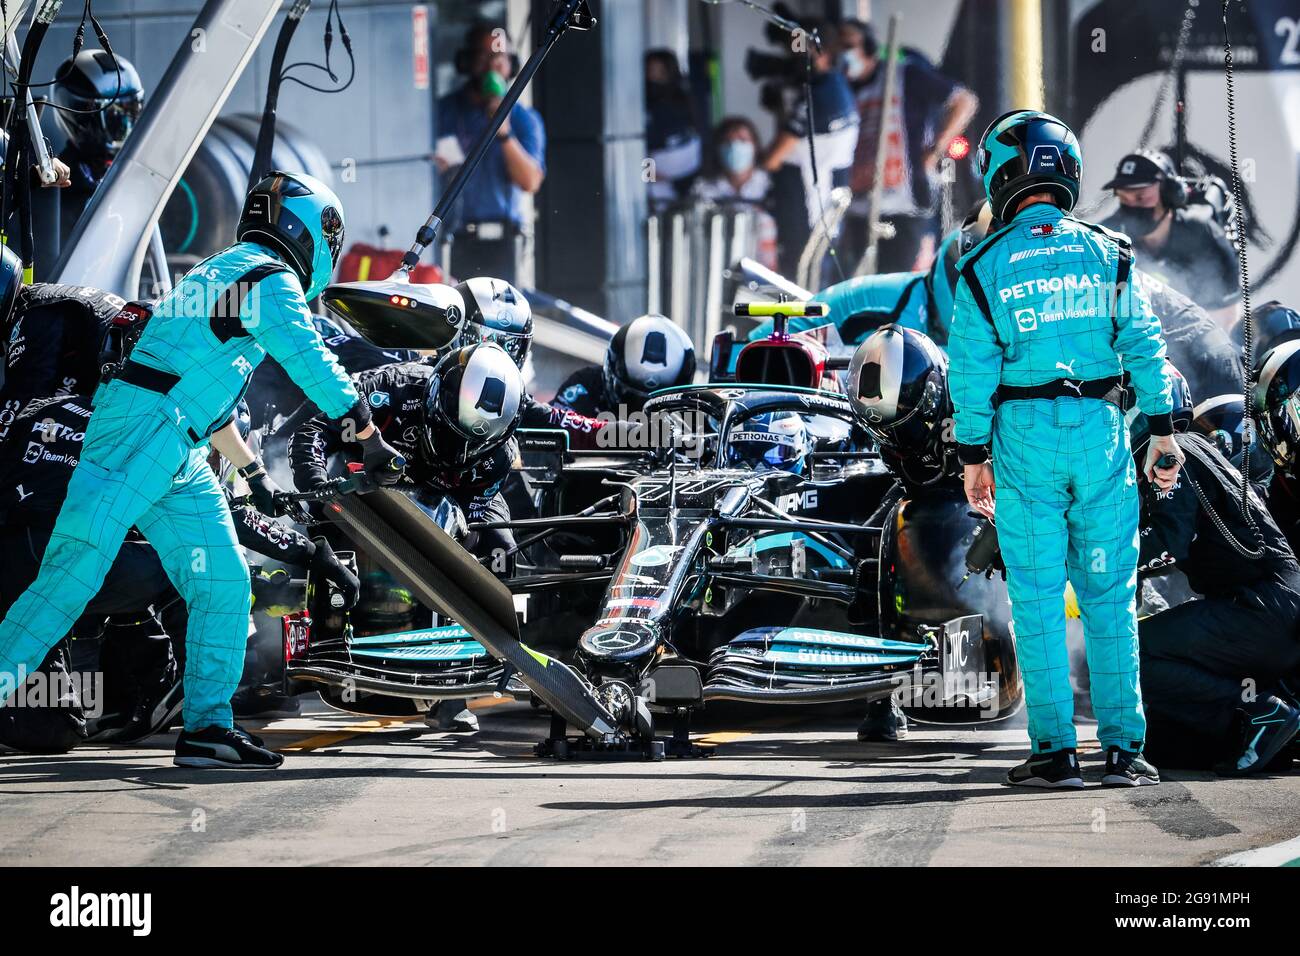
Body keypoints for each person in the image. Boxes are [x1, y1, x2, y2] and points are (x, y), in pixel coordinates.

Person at [0, 171, 405, 770]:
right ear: (310, 231)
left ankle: (208, 730)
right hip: (144, 431)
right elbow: (312, 361)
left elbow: (204, 395)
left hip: (171, 438)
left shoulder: (226, 269)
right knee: (68, 581)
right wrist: (368, 436)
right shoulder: (269, 279)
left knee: (222, 581)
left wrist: (256, 476)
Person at [948, 110, 1179, 789]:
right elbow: (1145, 344)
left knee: (1039, 599)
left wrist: (972, 458)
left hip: (1023, 441)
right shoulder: (1110, 252)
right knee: (1110, 596)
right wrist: (1162, 430)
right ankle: (1125, 753)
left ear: (999, 175)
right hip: (1103, 432)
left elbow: (970, 373)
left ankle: (1055, 755)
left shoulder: (981, 265)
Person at [0, 394, 360, 751]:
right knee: (199, 566)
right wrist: (312, 555)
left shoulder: (51, 405)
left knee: (50, 730)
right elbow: (224, 520)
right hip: (48, 563)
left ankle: (122, 693)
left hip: (23, 567)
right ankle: (191, 704)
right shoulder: (165, 424)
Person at [290, 342, 524, 733]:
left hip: (450, 499)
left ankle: (457, 678)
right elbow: (312, 428)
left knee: (499, 551)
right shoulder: (387, 388)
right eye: (453, 435)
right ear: (436, 400)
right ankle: (281, 649)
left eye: (473, 443)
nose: (460, 450)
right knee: (305, 526)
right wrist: (316, 485)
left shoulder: (498, 456)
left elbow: (470, 517)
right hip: (363, 488)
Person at [1131, 385, 1300, 775]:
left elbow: (1167, 544)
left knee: (1131, 652)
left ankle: (1260, 708)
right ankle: (1259, 716)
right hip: (1266, 604)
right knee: (1166, 742)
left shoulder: (1172, 454)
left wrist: (1092, 562)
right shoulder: (1193, 448)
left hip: (1260, 607)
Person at [846, 324, 962, 740]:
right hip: (917, 496)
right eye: (882, 428)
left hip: (983, 495)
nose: (893, 437)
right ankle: (881, 699)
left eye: (901, 424)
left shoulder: (972, 394)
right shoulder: (879, 416)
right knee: (867, 556)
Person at [838, 18, 979, 273]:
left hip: (906, 204)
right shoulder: (844, 86)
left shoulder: (905, 74)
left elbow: (964, 101)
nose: (843, 54)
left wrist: (936, 150)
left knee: (897, 281)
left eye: (849, 46)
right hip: (859, 206)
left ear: (868, 47)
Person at [437, 23, 545, 284]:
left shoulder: (523, 118)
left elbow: (530, 181)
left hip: (503, 242)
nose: (492, 67)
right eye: (484, 57)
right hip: (452, 239)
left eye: (499, 58)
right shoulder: (442, 112)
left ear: (511, 65)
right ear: (466, 62)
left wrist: (504, 132)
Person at [452, 276, 608, 446]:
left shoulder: (513, 404)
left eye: (509, 345)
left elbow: (572, 426)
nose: (495, 357)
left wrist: (629, 433)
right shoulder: (428, 378)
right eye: (485, 340)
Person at [760, 19, 858, 270]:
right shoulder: (837, 86)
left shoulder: (820, 93)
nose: (794, 57)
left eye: (798, 49)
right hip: (827, 213)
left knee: (805, 276)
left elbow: (772, 160)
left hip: (810, 214)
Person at [1100, 151, 1239, 326]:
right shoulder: (1107, 237)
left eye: (1140, 197)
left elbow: (1225, 317)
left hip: (1197, 330)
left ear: (1169, 195)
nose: (1131, 207)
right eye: (1124, 199)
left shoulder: (1201, 232)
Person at [51, 50, 145, 242]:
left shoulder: (141, 176)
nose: (126, 127)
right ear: (82, 117)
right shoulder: (57, 189)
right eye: (114, 116)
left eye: (132, 112)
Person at [551, 313, 696, 417]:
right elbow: (552, 424)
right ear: (610, 376)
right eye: (632, 399)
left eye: (660, 402)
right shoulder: (584, 387)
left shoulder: (696, 411)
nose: (642, 415)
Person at [690, 116, 778, 270]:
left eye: (742, 140)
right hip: (716, 265)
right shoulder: (702, 188)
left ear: (755, 145)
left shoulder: (773, 185)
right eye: (728, 142)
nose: (734, 147)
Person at [645, 49, 703, 209]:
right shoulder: (642, 104)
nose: (654, 76)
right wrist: (649, 174)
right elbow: (642, 150)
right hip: (652, 182)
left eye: (660, 72)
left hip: (684, 181)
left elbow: (696, 139)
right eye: (650, 71)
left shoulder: (685, 101)